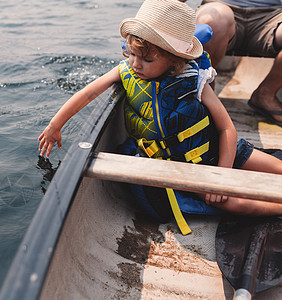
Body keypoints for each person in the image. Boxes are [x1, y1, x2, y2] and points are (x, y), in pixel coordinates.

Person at [38, 0, 282, 233]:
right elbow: (87, 94)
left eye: (147, 59)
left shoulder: (195, 79)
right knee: (237, 204)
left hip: (221, 149)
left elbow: (227, 129)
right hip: (189, 169)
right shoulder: (125, 70)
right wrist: (55, 125)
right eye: (132, 54)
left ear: (174, 60)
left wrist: (222, 175)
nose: (135, 64)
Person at [192, 0, 282, 126]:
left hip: (271, 15)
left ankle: (265, 94)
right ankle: (206, 93)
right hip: (220, 8)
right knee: (213, 21)